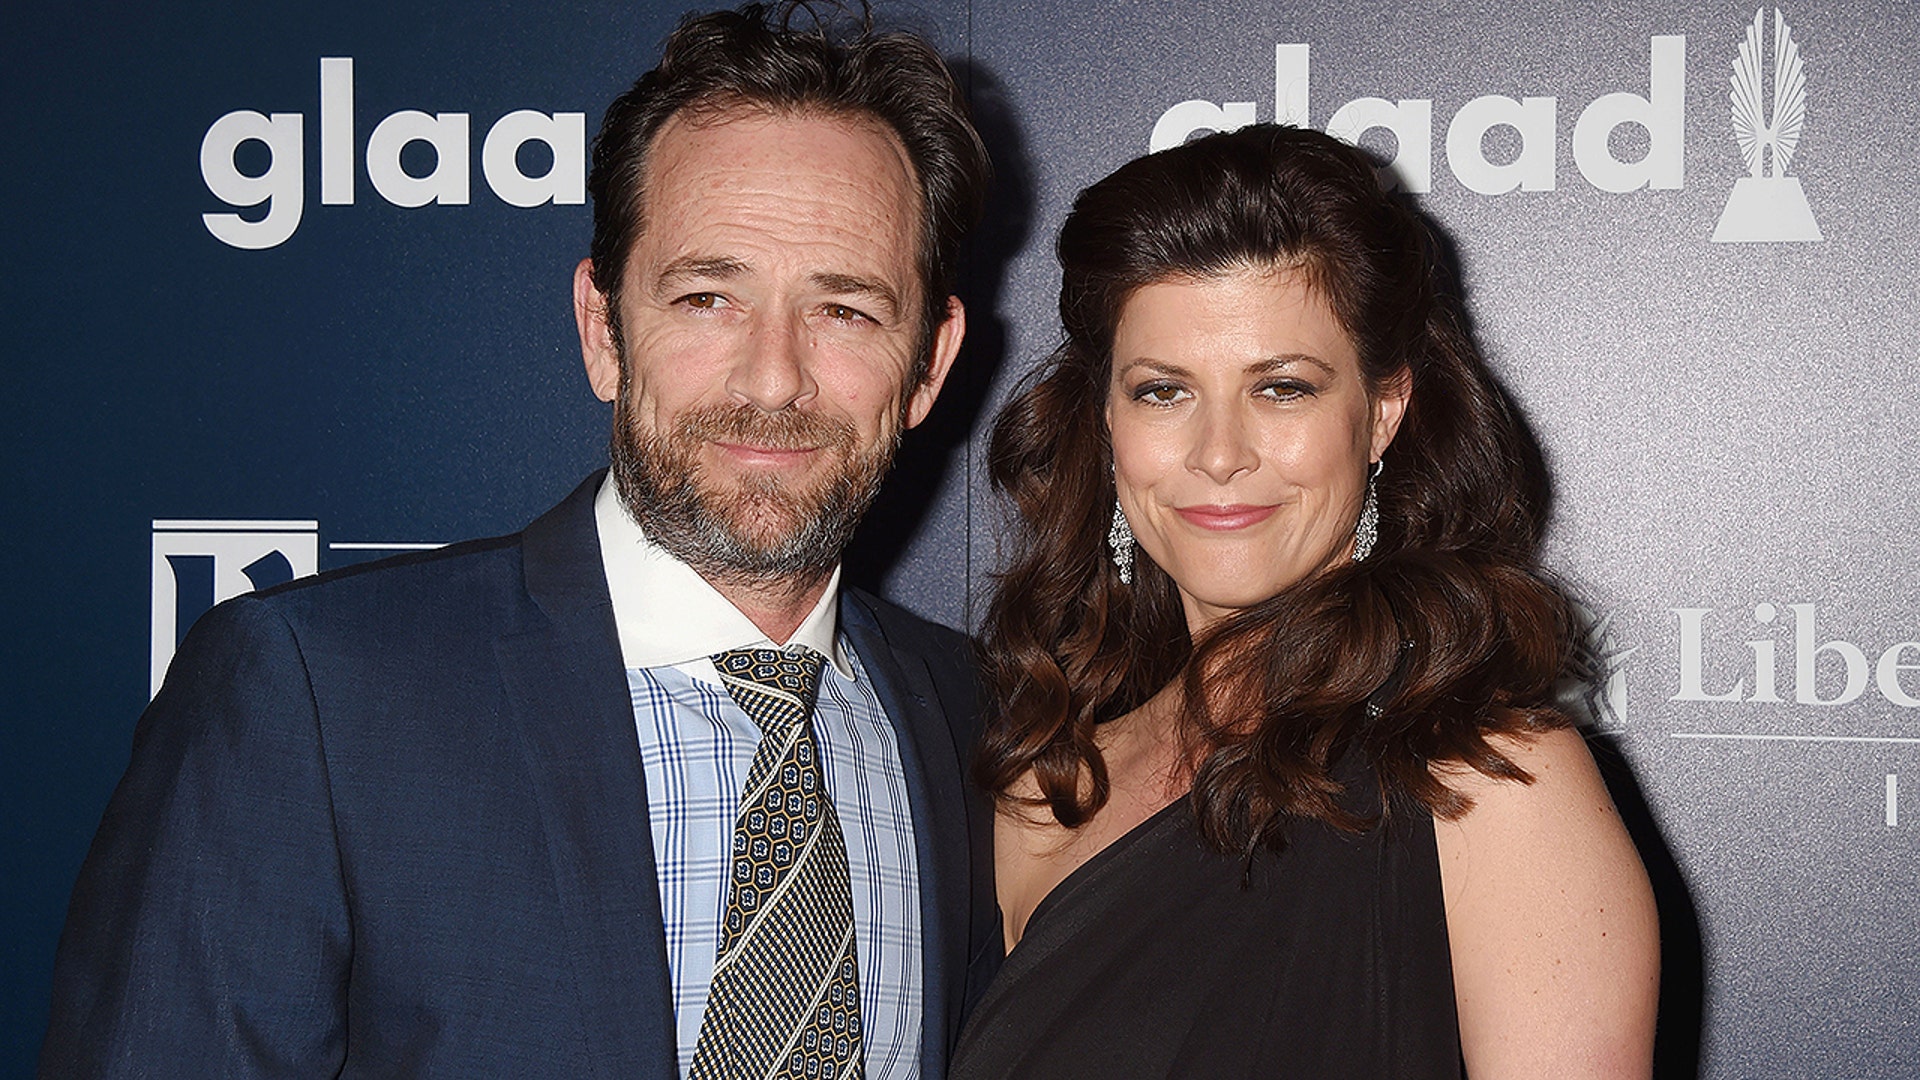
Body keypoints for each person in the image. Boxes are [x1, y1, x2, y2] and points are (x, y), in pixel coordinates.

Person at [41, 5, 998, 1078]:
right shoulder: (314, 700)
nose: (772, 377)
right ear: (603, 330)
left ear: (929, 363)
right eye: (707, 297)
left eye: (846, 311)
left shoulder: (970, 717)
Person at [951, 124, 1659, 1079]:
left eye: (1281, 389)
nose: (1218, 453)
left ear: (1383, 412)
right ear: (1106, 418)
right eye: (1163, 392)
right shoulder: (1047, 785)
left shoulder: (1490, 783)